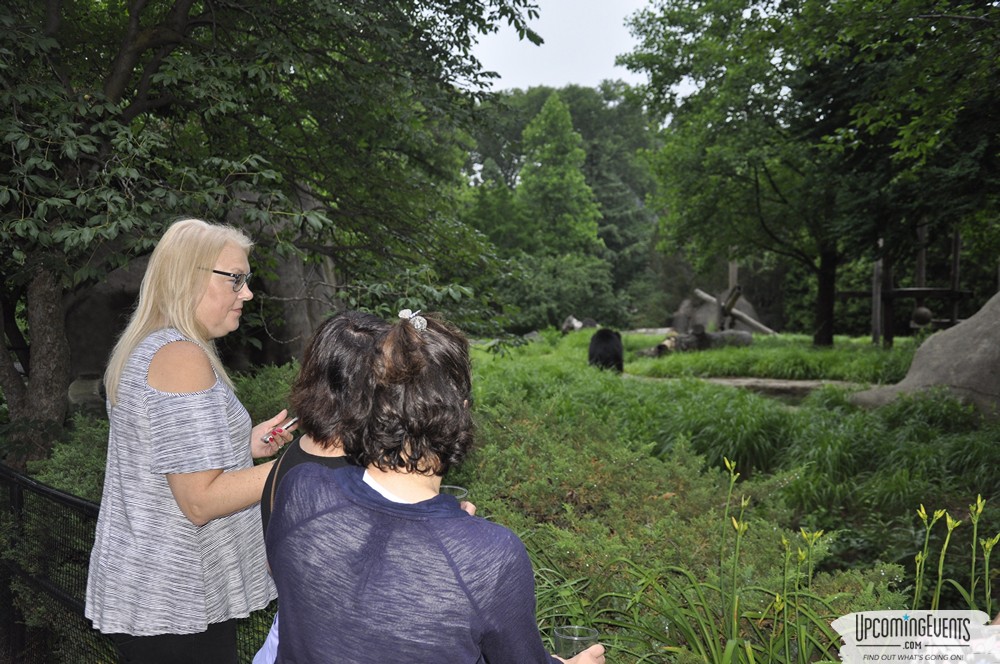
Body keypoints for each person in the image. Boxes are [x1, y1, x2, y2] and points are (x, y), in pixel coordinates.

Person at [266, 309, 606, 664]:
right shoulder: (492, 557)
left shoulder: (301, 492)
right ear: (460, 411)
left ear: (363, 402)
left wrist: (450, 536)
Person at [85, 218, 295, 664]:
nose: (247, 293)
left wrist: (245, 442)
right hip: (176, 601)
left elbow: (166, 458)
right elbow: (199, 501)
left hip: (160, 594)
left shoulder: (152, 344)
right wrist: (302, 464)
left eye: (247, 279)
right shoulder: (180, 357)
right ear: (190, 276)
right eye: (235, 279)